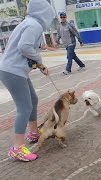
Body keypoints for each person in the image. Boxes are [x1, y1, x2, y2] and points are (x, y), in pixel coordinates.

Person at [0, 0, 55, 162]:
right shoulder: (35, 25)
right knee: (24, 108)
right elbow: (25, 47)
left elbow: (25, 49)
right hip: (13, 71)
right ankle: (17, 148)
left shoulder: (29, 22)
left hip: (13, 70)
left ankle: (33, 133)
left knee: (33, 99)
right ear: (44, 12)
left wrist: (40, 65)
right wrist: (39, 58)